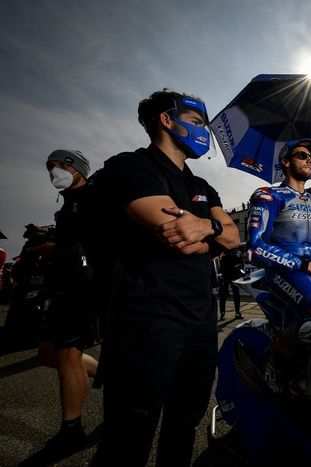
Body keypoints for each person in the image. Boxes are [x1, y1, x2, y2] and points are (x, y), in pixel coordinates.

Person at [91, 89, 240, 467]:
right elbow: (174, 233)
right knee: (129, 436)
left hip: (201, 322)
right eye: (195, 123)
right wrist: (213, 232)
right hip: (146, 321)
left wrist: (205, 227)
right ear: (166, 120)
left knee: (184, 425)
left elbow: (232, 235)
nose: (203, 132)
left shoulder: (202, 187)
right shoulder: (130, 167)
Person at [247, 138, 311, 394]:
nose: (309, 159)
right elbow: (254, 247)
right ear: (286, 162)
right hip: (283, 271)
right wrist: (303, 264)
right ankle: (274, 362)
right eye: (302, 155)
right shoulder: (268, 195)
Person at [36, 149, 99, 455]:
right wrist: (50, 237)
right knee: (48, 353)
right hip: (63, 286)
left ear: (77, 168)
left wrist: (55, 246)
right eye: (49, 166)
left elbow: (92, 241)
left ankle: (72, 430)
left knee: (67, 355)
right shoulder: (68, 204)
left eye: (59, 165)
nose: (53, 171)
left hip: (82, 288)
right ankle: (108, 374)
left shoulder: (93, 196)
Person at [219, 245, 245, 320]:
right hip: (225, 270)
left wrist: (241, 271)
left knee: (236, 292)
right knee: (223, 293)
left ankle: (237, 312)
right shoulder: (224, 246)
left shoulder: (236, 247)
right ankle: (222, 313)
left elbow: (241, 260)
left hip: (234, 271)